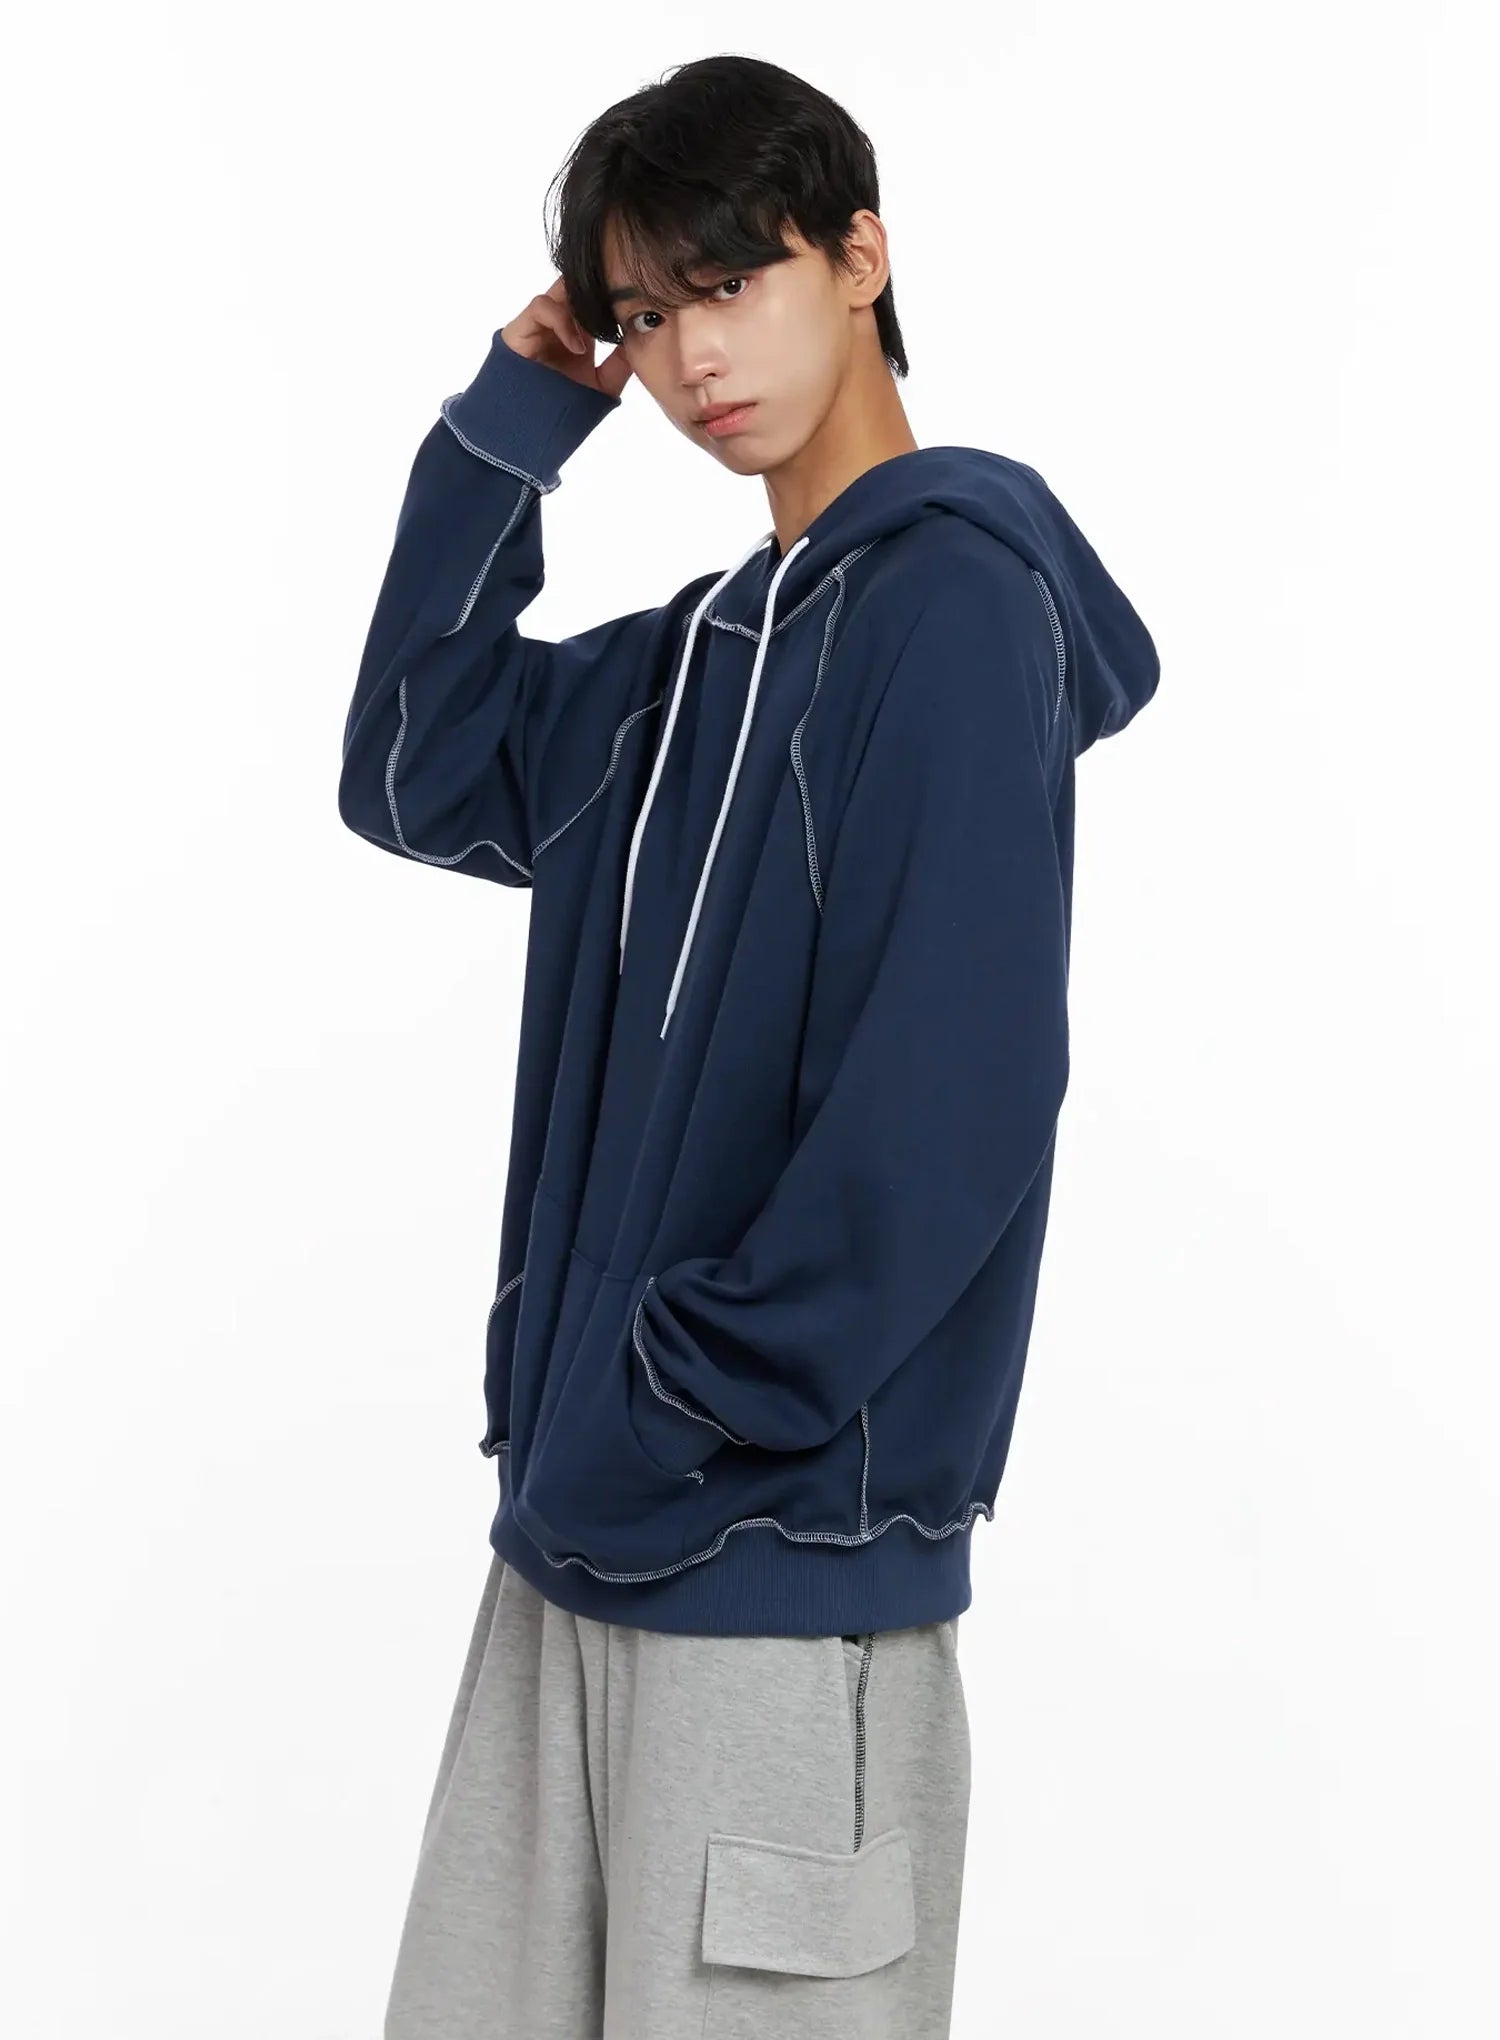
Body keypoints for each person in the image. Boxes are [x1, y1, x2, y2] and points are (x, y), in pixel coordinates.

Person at [338, 51, 1159, 2040]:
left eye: (730, 282)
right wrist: (520, 415)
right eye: (643, 315)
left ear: (860, 254)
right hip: (571, 1556)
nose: (689, 355)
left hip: (776, 1577)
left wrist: (676, 1402)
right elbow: (410, 763)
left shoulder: (956, 609)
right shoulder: (695, 662)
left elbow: (952, 1105)